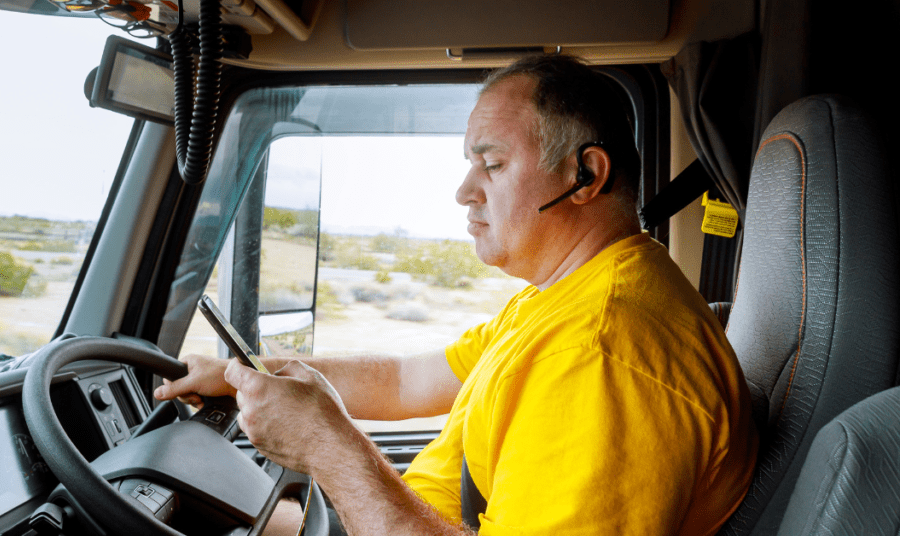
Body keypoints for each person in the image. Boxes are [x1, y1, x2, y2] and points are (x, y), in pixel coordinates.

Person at [155, 54, 758, 535]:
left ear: (586, 176)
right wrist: (247, 372)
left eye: (491, 165)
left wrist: (327, 446)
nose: (464, 190)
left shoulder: (602, 352)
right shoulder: (567, 296)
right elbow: (404, 381)